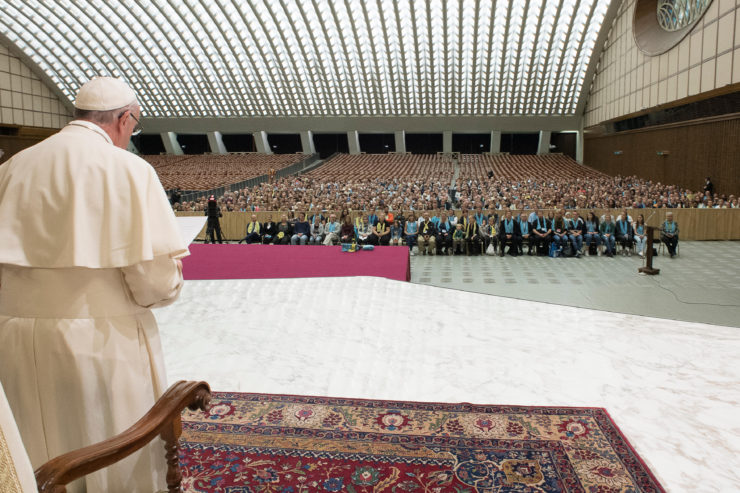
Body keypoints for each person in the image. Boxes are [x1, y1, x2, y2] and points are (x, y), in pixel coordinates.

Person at [0, 77, 188, 492]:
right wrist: (173, 277)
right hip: (99, 342)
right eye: (134, 125)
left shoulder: (13, 167)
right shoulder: (130, 169)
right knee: (105, 452)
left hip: (12, 338)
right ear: (124, 119)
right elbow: (153, 283)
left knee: (34, 450)